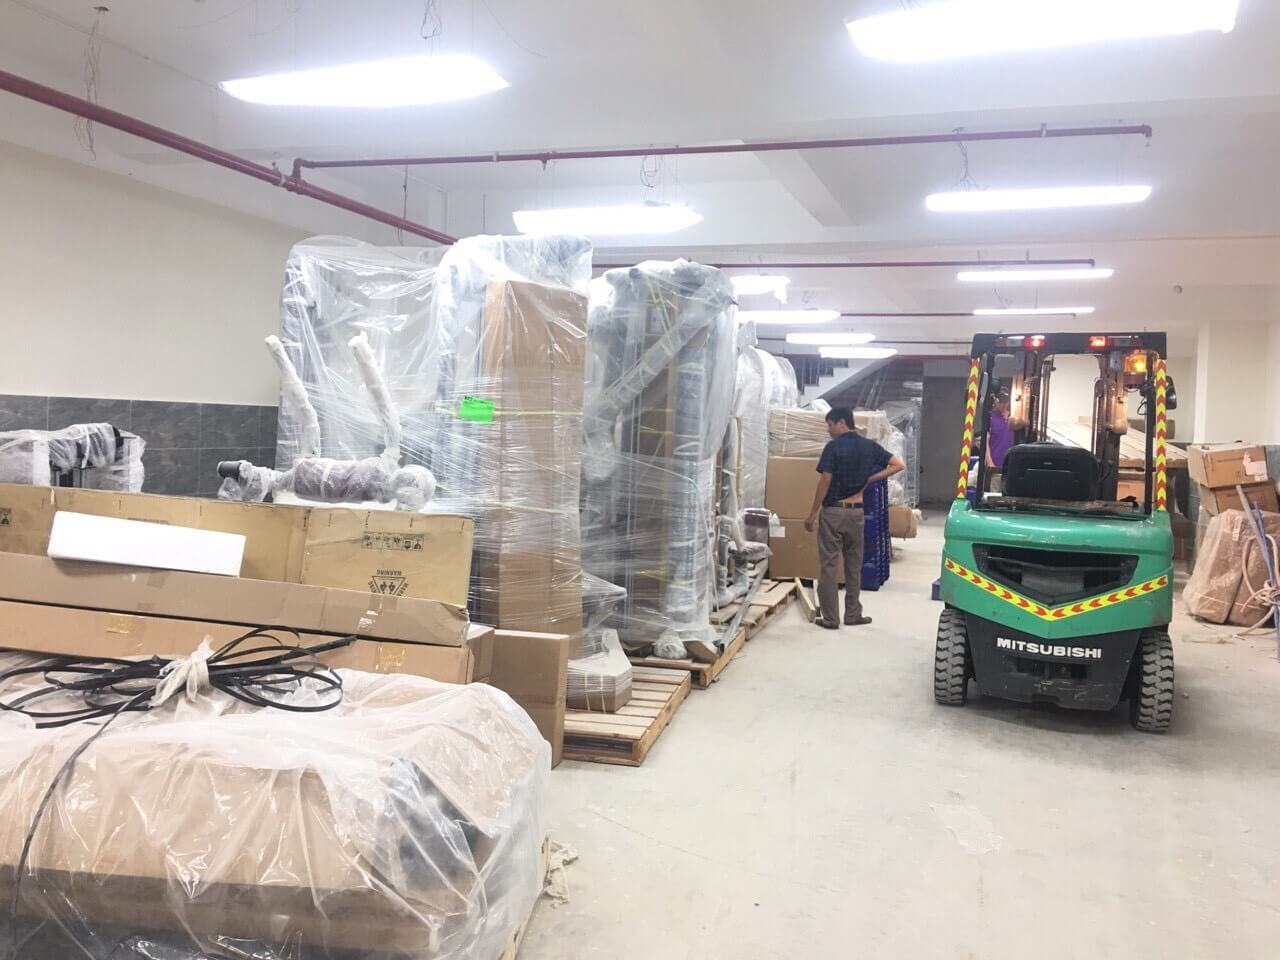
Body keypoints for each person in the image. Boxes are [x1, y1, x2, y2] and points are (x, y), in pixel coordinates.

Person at [804, 407, 905, 630]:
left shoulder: (833, 448)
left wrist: (812, 513)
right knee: (853, 564)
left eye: (830, 424)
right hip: (857, 512)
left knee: (829, 565)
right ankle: (852, 614)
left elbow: (825, 480)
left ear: (841, 422)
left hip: (834, 512)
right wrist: (870, 479)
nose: (828, 429)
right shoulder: (869, 446)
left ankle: (831, 619)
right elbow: (898, 465)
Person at [986, 388, 1015, 471]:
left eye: (1005, 402)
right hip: (994, 464)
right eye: (1000, 402)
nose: (1003, 404)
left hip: (1011, 464)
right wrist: (990, 462)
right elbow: (985, 442)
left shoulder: (1013, 418)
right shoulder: (989, 417)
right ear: (995, 400)